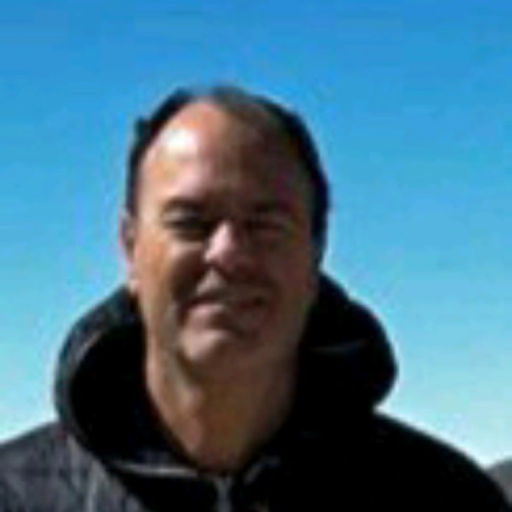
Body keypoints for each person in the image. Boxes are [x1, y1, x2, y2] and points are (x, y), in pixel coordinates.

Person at [0, 84, 508, 511]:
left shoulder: (444, 499)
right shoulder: (17, 495)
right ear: (130, 248)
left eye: (265, 225)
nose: (229, 253)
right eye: (191, 223)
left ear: (316, 250)